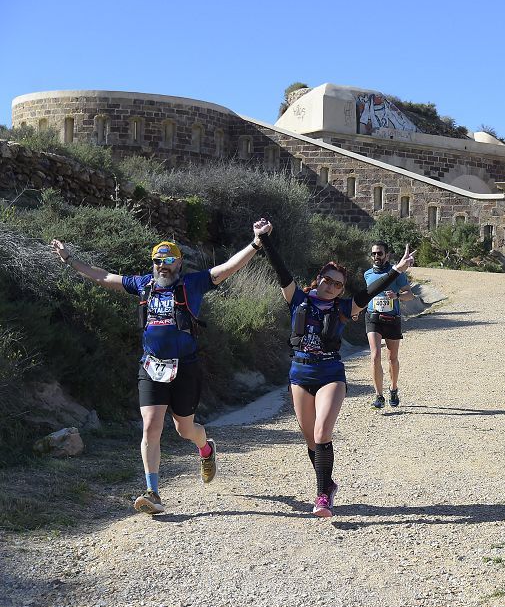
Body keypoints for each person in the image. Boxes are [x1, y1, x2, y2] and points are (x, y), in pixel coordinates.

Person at [50, 219, 273, 515]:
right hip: (152, 367)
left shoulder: (193, 283)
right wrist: (70, 259)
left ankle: (205, 448)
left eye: (169, 260)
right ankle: (152, 492)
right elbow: (103, 277)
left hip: (185, 367)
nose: (163, 265)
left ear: (179, 263)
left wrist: (257, 242)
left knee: (184, 429)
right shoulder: (143, 285)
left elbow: (229, 268)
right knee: (151, 427)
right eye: (158, 261)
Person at [259, 233, 415, 517]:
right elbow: (280, 269)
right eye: (327, 280)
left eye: (338, 284)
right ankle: (328, 483)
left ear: (342, 290)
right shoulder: (297, 299)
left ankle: (321, 496)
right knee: (310, 440)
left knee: (321, 433)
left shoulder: (344, 308)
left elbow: (370, 292)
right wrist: (266, 239)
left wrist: (397, 270)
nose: (331, 286)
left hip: (330, 374)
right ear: (318, 278)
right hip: (300, 375)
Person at [364, 241, 414, 409]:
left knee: (392, 358)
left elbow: (410, 295)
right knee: (375, 355)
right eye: (374, 254)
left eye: (379, 253)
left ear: (387, 255)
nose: (376, 256)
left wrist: (397, 296)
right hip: (373, 318)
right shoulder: (367, 274)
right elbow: (367, 296)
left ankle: (393, 389)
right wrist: (356, 310)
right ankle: (379, 396)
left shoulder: (397, 273)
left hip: (392, 318)